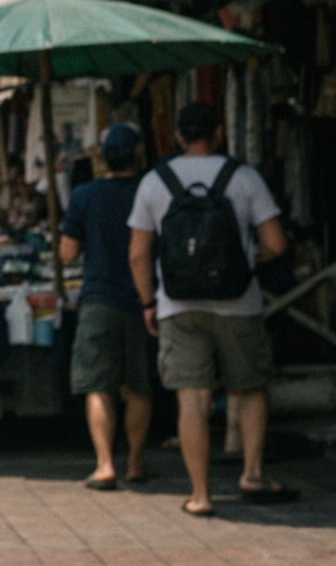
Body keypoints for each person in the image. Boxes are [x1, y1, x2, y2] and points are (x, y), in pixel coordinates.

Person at [127, 102, 296, 517]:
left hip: (177, 304)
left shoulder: (154, 181)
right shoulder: (243, 177)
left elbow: (138, 254)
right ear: (219, 132)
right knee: (251, 385)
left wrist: (149, 302)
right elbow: (277, 244)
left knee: (192, 397)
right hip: (239, 302)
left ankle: (200, 494)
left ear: (179, 136)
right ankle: (252, 473)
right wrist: (245, 259)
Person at [59, 124, 152, 490]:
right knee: (139, 387)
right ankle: (136, 462)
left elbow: (67, 252)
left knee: (98, 386)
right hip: (142, 299)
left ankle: (104, 464)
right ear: (138, 153)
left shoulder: (84, 195)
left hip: (97, 299)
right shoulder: (150, 192)